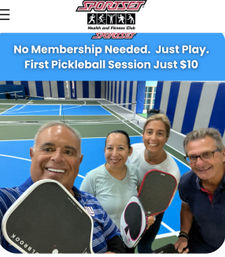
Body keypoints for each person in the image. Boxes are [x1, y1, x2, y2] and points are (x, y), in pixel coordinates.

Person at [0, 122, 126, 254]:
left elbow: (114, 236)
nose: (57, 158)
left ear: (79, 160)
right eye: (48, 149)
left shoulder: (91, 201)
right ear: (32, 154)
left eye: (68, 152)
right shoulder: (7, 202)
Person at [80, 130, 155, 252]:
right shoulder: (92, 177)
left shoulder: (135, 172)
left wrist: (147, 217)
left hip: (130, 238)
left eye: (120, 148)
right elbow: (80, 213)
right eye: (110, 148)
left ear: (129, 151)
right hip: (105, 243)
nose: (114, 154)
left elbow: (142, 200)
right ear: (104, 150)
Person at [127, 113, 180, 253]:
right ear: (143, 134)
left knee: (144, 247)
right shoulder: (132, 151)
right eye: (149, 132)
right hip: (129, 203)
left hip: (153, 210)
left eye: (160, 133)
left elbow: (160, 204)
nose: (153, 138)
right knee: (127, 245)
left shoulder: (171, 172)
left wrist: (149, 219)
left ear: (167, 138)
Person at [174, 128, 225, 253]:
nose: (199, 163)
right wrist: (183, 234)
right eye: (192, 157)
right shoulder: (186, 183)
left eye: (207, 154)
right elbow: (186, 207)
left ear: (223, 154)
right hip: (199, 246)